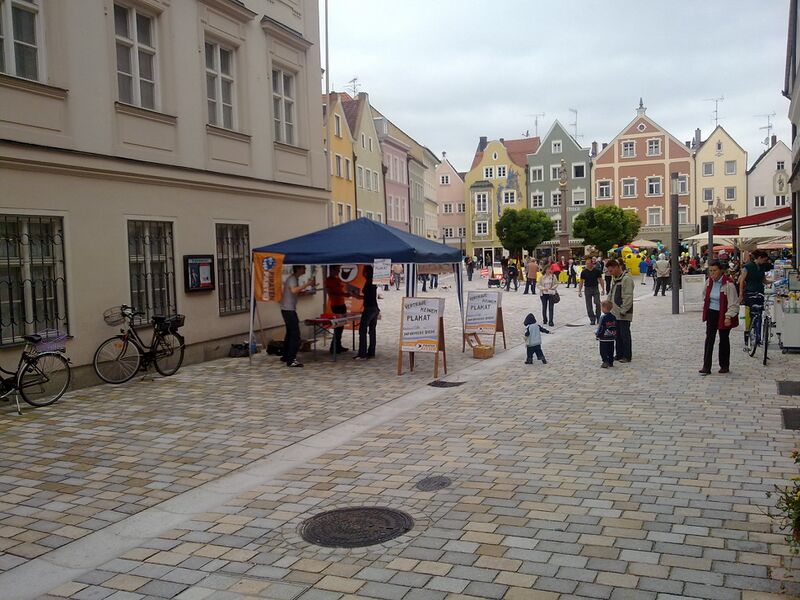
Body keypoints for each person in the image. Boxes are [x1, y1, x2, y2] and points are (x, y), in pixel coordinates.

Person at [700, 259, 739, 375]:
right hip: (712, 312)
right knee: (709, 339)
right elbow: (704, 295)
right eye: (710, 271)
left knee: (723, 340)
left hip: (724, 313)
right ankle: (706, 366)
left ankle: (724, 365)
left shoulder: (728, 284)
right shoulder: (709, 282)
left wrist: (728, 316)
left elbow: (733, 303)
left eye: (714, 270)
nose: (712, 273)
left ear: (721, 271)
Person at [280, 265, 315, 368]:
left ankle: (286, 355)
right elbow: (294, 290)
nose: (305, 269)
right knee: (295, 335)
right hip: (288, 310)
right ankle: (291, 360)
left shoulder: (294, 279)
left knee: (290, 333)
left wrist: (303, 292)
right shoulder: (292, 279)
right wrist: (307, 284)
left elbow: (294, 292)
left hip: (287, 309)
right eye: (303, 268)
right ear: (298, 269)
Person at [738, 249, 770, 344]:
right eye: (764, 259)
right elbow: (741, 281)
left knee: (759, 314)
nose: (765, 262)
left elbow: (764, 281)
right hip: (750, 293)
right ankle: (747, 336)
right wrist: (740, 295)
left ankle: (758, 337)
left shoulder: (762, 267)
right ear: (759, 258)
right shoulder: (747, 267)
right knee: (749, 315)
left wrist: (776, 281)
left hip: (760, 293)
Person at [606, 258, 634, 362]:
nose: (610, 273)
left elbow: (628, 296)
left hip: (623, 313)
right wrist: (607, 304)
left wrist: (624, 310)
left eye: (611, 270)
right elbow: (611, 293)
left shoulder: (626, 279)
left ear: (617, 267)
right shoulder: (616, 279)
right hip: (615, 312)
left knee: (624, 335)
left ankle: (627, 356)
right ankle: (619, 354)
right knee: (617, 335)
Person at [354, 265, 379, 360]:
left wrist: (356, 296)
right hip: (375, 308)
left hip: (369, 308)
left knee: (362, 330)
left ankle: (362, 353)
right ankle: (371, 352)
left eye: (363, 271)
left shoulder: (368, 283)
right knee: (372, 331)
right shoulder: (373, 282)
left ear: (366, 273)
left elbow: (367, 297)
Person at [324, 265, 348, 353]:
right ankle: (333, 346)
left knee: (341, 326)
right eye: (337, 270)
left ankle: (338, 344)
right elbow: (331, 293)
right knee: (337, 326)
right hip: (336, 305)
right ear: (332, 270)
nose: (338, 272)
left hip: (342, 304)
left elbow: (341, 291)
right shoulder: (328, 281)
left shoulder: (337, 279)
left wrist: (347, 294)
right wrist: (343, 295)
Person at [578, 257, 604, 325]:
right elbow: (581, 281)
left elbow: (600, 280)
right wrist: (579, 291)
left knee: (597, 302)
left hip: (595, 288)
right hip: (587, 289)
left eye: (589, 263)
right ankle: (592, 319)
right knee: (588, 305)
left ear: (592, 263)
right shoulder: (584, 272)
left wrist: (603, 289)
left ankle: (598, 317)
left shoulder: (596, 271)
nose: (587, 264)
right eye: (586, 263)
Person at [596, 300, 617, 368]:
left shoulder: (603, 317)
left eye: (602, 308)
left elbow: (601, 327)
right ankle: (611, 362)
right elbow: (615, 326)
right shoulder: (613, 317)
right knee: (611, 350)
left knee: (603, 350)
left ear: (604, 308)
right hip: (611, 337)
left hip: (604, 338)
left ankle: (605, 361)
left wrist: (598, 334)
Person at [539, 263, 559, 327]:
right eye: (547, 269)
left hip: (551, 293)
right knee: (544, 307)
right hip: (544, 294)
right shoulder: (542, 277)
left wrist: (552, 288)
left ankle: (551, 321)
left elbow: (556, 283)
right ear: (545, 270)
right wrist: (543, 288)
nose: (549, 270)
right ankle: (545, 319)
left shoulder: (553, 276)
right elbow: (538, 285)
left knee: (551, 308)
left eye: (550, 269)